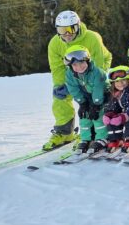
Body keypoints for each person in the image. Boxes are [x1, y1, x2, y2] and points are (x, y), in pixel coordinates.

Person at [45, 11, 111, 150]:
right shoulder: (55, 43)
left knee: (95, 98)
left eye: (71, 29)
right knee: (60, 97)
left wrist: (93, 95)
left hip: (95, 69)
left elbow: (98, 66)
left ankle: (95, 132)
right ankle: (64, 132)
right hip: (74, 71)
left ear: (78, 26)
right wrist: (60, 85)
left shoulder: (91, 38)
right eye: (62, 30)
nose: (67, 34)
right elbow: (57, 67)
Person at [62, 47, 108, 154]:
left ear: (87, 60)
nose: (79, 67)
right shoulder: (69, 75)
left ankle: (102, 137)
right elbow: (73, 89)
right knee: (84, 116)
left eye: (81, 63)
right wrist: (82, 103)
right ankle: (86, 139)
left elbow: (98, 89)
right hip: (87, 97)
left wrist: (96, 105)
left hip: (103, 96)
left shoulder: (96, 72)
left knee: (98, 116)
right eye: (75, 65)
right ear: (70, 66)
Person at [103, 66, 129, 154]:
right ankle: (115, 139)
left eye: (123, 80)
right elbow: (113, 105)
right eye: (117, 81)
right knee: (112, 119)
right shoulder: (115, 92)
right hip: (124, 114)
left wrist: (125, 116)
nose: (120, 83)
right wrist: (109, 114)